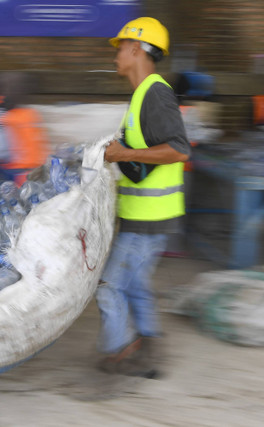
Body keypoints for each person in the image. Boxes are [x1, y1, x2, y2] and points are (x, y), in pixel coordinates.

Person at [96, 17, 191, 378]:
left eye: (121, 47)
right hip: (144, 214)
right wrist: (117, 154)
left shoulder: (155, 93)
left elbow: (179, 150)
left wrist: (124, 155)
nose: (117, 54)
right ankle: (150, 351)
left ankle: (122, 350)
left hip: (151, 218)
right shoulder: (141, 96)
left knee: (109, 287)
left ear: (137, 49)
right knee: (134, 283)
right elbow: (140, 160)